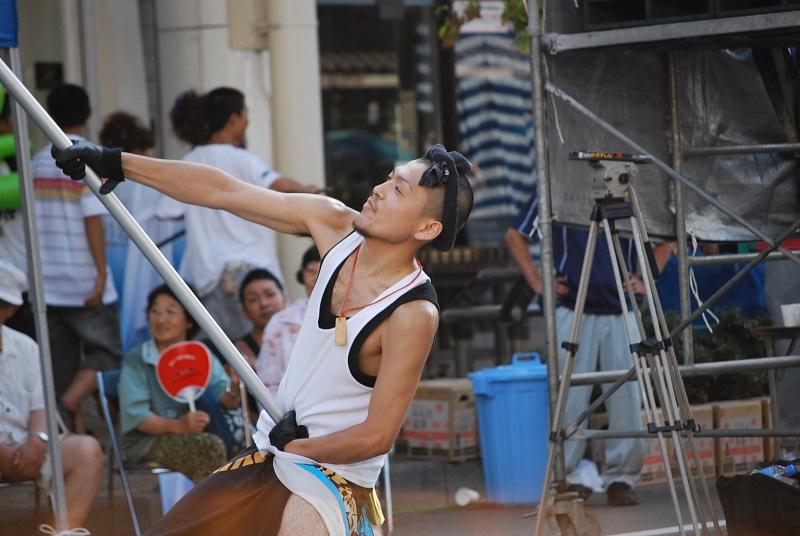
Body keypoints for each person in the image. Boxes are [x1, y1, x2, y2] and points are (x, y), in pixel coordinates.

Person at [52, 140, 473, 535]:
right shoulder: (334, 225)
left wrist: (303, 446)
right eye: (388, 178)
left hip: (334, 480)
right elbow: (223, 191)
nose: (379, 190)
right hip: (272, 455)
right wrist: (116, 163)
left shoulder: (413, 312)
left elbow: (376, 437)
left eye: (398, 190)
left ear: (428, 227)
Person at [506, 192, 672, 507]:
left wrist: (648, 277)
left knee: (627, 398)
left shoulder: (626, 182)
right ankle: (567, 477)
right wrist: (537, 279)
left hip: (621, 307)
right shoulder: (556, 178)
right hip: (575, 305)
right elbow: (515, 234)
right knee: (569, 400)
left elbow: (669, 234)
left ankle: (621, 479)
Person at [159, 87, 318, 338]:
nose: (247, 120)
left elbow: (168, 211)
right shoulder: (242, 159)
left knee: (226, 347)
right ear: (234, 119)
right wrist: (311, 190)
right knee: (263, 343)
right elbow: (280, 186)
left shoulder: (191, 159)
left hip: (210, 275)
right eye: (246, 112)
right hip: (250, 271)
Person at [32, 84, 122, 431]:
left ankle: (65, 426)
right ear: (88, 114)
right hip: (83, 280)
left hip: (47, 282)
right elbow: (92, 218)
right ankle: (67, 406)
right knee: (109, 352)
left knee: (60, 367)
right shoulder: (82, 158)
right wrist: (101, 273)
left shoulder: (36, 162)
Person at [0, 260, 104, 531]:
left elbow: (40, 406)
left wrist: (36, 444)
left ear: (10, 310)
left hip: (26, 441)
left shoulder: (25, 347)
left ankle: (64, 531)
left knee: (87, 451)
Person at [119, 283, 244, 482]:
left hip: (202, 432)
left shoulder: (201, 355)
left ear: (189, 320)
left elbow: (227, 400)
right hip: (149, 440)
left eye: (171, 311)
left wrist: (236, 387)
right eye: (155, 311)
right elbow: (137, 417)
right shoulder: (138, 360)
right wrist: (179, 426)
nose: (161, 319)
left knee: (251, 446)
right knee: (208, 448)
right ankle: (216, 511)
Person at [98, 111, 185, 351]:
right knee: (142, 315)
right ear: (141, 149)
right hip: (142, 261)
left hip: (108, 256)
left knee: (115, 323)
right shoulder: (144, 181)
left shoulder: (98, 175)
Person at [257, 245, 320, 393]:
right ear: (302, 275)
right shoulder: (281, 322)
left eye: (324, 269)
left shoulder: (351, 315)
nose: (317, 277)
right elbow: (268, 381)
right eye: (311, 271)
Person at [234, 268, 287, 366]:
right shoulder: (238, 352)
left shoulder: (302, 336)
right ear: (245, 312)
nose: (264, 303)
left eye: (270, 295)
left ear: (285, 299)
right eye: (253, 299)